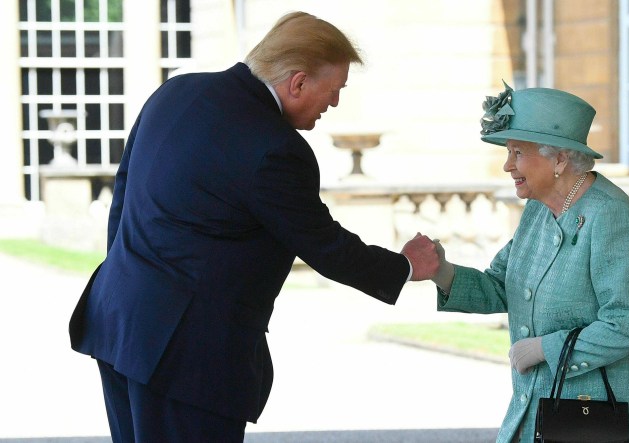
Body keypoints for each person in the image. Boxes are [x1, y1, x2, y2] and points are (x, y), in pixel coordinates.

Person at [68, 11, 439, 442]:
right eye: (334, 90)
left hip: (118, 321)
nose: (334, 104)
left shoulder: (176, 91)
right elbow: (325, 246)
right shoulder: (277, 149)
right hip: (187, 359)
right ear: (297, 82)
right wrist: (406, 266)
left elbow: (125, 191)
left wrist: (129, 276)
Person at [424, 83, 629, 442]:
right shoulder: (537, 210)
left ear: (559, 159)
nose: (508, 165)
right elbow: (500, 284)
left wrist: (544, 348)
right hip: (541, 411)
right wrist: (441, 272)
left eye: (517, 152)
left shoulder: (612, 217)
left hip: (599, 417)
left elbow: (625, 323)